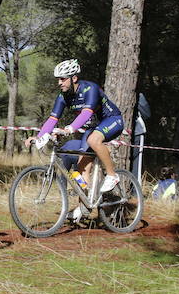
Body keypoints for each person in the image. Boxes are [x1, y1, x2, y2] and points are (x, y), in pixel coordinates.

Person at [24, 59, 124, 222]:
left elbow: (86, 113)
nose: (59, 83)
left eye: (62, 79)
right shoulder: (64, 96)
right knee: (82, 166)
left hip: (112, 120)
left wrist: (69, 129)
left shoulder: (90, 89)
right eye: (58, 79)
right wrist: (39, 136)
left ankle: (112, 175)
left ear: (74, 78)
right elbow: (52, 119)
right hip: (92, 128)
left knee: (93, 140)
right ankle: (83, 207)